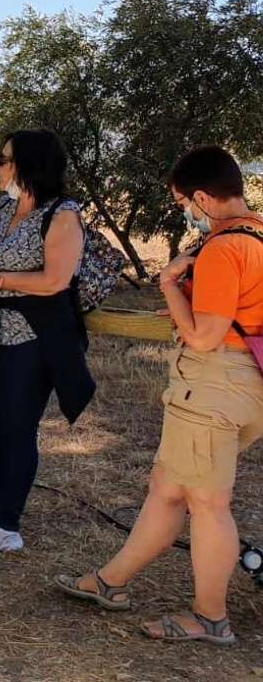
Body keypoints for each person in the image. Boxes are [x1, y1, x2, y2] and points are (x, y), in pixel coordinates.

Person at [52, 145, 261, 646]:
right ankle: (111, 581)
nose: (184, 212)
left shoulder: (222, 249)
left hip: (211, 384)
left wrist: (169, 283)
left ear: (205, 198)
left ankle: (210, 618)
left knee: (208, 504)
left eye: (184, 202)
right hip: (243, 386)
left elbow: (205, 335)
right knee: (168, 489)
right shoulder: (258, 237)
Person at [0, 130, 92, 556]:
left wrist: (0, 280)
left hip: (33, 337)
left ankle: (6, 522)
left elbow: (56, 280)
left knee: (17, 426)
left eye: (4, 159)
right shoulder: (5, 206)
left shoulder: (63, 214)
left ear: (29, 164)